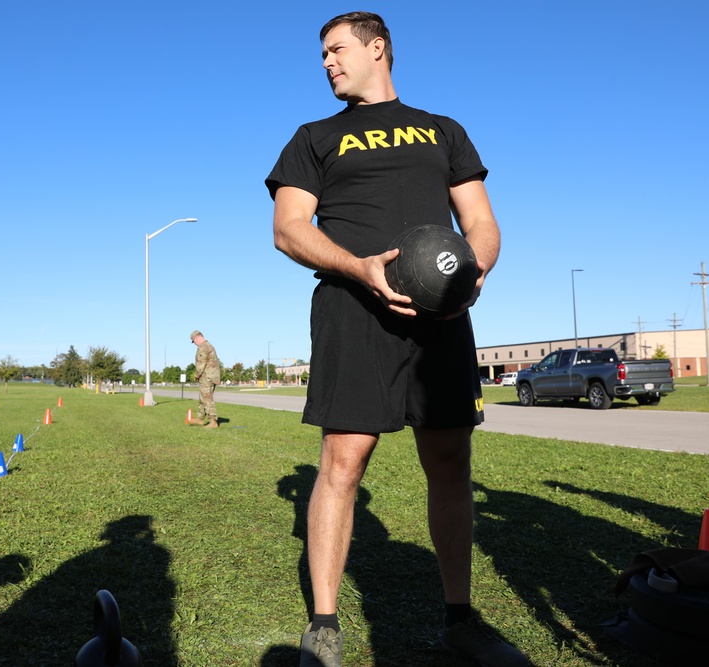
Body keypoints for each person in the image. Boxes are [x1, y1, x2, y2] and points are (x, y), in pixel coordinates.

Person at [265, 12, 529, 667]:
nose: (326, 62)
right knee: (342, 461)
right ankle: (323, 625)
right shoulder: (315, 137)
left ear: (377, 47)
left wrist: (474, 272)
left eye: (336, 49)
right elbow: (288, 227)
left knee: (449, 460)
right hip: (352, 310)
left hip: (440, 316)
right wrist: (359, 268)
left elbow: (482, 222)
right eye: (321, 54)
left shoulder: (443, 130)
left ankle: (460, 619)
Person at [189, 330, 221, 429]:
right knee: (203, 398)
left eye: (193, 341)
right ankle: (200, 418)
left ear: (196, 338)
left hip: (207, 376)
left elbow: (201, 364)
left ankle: (213, 421)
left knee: (207, 399)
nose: (194, 343)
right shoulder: (210, 346)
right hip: (212, 376)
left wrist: (197, 375)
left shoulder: (203, 347)